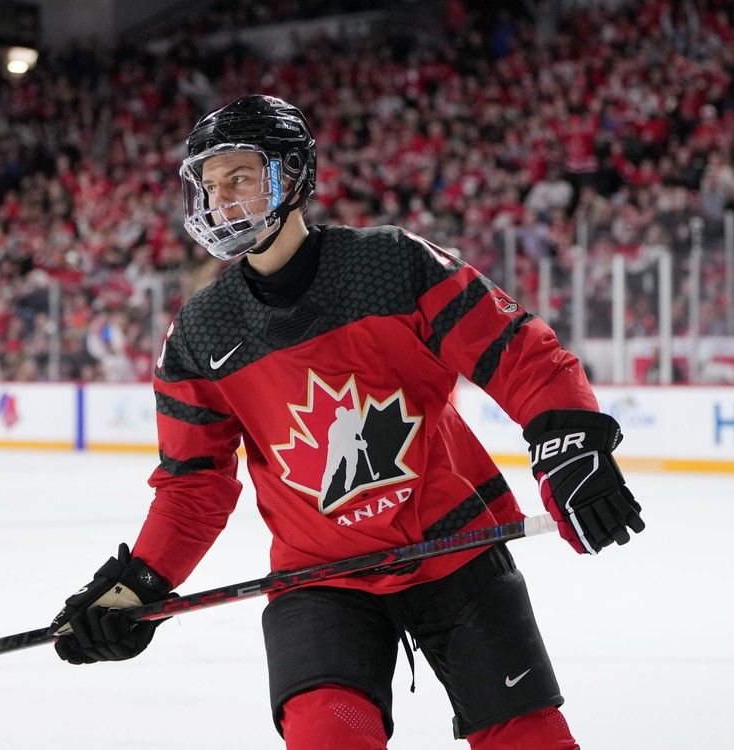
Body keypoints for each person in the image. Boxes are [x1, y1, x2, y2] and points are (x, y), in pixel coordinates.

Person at [49, 96, 645, 749]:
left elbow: (514, 350)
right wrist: (142, 582)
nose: (222, 200)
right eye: (210, 186)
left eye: (241, 177)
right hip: (319, 579)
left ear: (293, 175)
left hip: (456, 552)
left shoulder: (392, 265)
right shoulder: (198, 336)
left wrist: (565, 438)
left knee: (530, 741)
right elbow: (193, 485)